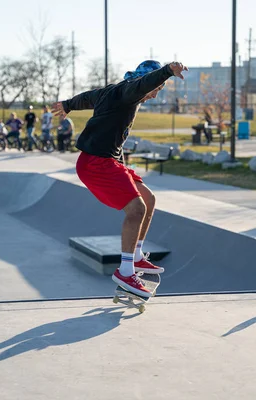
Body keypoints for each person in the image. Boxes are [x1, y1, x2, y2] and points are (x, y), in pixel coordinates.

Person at [51, 60, 188, 297]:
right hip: (96, 163)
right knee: (136, 209)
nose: (154, 96)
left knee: (148, 198)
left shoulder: (112, 91)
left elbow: (88, 97)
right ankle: (126, 271)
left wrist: (68, 104)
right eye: (156, 90)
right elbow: (144, 83)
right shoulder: (129, 92)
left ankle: (135, 256)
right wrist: (166, 72)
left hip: (108, 161)